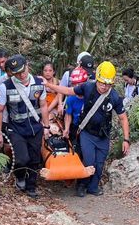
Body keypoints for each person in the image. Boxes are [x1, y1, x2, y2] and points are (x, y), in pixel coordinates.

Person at [44, 61, 130, 197]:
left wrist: (126, 139)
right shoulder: (87, 87)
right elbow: (68, 91)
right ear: (97, 79)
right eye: (102, 83)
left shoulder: (114, 97)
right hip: (87, 133)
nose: (104, 87)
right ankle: (81, 185)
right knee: (89, 161)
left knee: (100, 163)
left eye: (107, 84)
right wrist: (48, 85)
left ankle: (93, 187)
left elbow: (123, 118)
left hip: (103, 135)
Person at [0, 54, 50, 199]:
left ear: (27, 65)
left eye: (23, 70)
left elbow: (43, 105)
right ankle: (19, 175)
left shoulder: (39, 83)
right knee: (21, 159)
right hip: (16, 128)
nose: (21, 75)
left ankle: (31, 186)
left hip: (35, 127)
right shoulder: (5, 86)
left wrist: (46, 127)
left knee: (34, 159)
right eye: (17, 73)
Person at [62, 66, 89, 156]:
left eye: (80, 85)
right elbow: (68, 115)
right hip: (76, 126)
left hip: (88, 127)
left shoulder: (90, 96)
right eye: (75, 85)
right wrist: (66, 129)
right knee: (76, 150)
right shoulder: (71, 99)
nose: (77, 87)